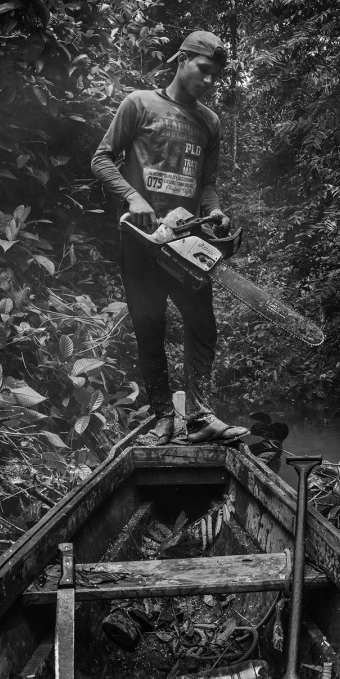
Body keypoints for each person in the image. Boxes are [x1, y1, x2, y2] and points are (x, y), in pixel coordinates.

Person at [91, 30, 249, 446]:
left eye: (216, 75)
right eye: (203, 70)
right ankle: (163, 416)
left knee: (203, 325)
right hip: (141, 240)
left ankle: (199, 417)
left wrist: (215, 211)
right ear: (182, 60)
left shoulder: (210, 121)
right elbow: (101, 158)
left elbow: (207, 184)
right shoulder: (139, 103)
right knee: (150, 327)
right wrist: (132, 196)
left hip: (185, 243)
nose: (209, 81)